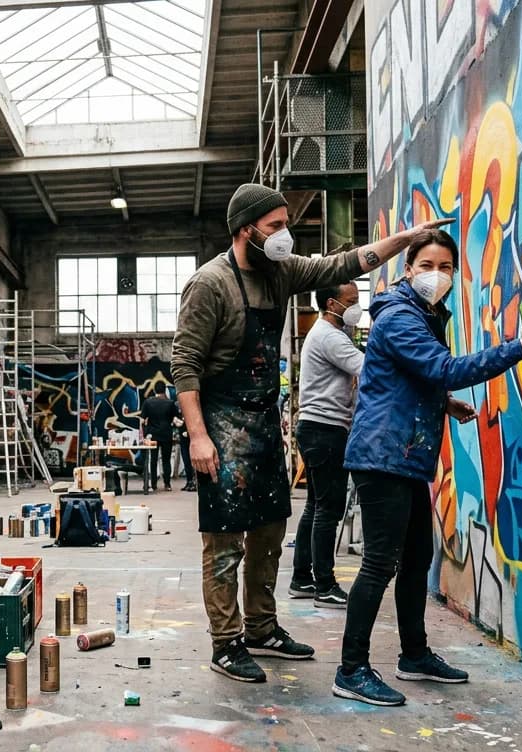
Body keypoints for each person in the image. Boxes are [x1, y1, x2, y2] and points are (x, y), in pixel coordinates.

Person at [171, 181, 451, 683]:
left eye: (287, 225)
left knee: (269, 530)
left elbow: (344, 265)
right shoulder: (209, 284)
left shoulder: (280, 273)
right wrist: (197, 436)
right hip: (218, 423)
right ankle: (226, 641)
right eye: (275, 226)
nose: (285, 236)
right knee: (225, 540)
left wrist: (408, 239)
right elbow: (185, 366)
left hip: (261, 422)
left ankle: (259, 627)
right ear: (244, 229)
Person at [331, 229, 522, 706]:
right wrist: (520, 346)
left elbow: (414, 378)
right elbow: (443, 367)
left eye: (447, 267)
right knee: (380, 563)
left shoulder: (423, 313)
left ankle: (413, 655)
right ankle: (351, 668)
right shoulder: (400, 316)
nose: (437, 275)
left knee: (417, 558)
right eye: (427, 265)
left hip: (404, 453)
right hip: (384, 457)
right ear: (407, 269)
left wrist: (443, 403)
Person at [288, 282, 364, 608]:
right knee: (328, 510)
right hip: (325, 429)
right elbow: (369, 368)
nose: (357, 307)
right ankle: (325, 585)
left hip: (316, 428)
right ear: (332, 303)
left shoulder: (327, 333)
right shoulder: (331, 337)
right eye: (352, 301)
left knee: (316, 507)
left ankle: (302, 579)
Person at [139, 385, 179, 492]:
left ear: (154, 390)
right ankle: (167, 484)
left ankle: (153, 484)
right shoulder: (170, 403)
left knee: (153, 460)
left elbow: (142, 420)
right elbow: (175, 419)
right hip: (166, 434)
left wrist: (145, 434)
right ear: (164, 390)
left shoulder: (148, 402)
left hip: (153, 435)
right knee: (166, 460)